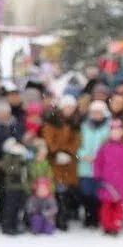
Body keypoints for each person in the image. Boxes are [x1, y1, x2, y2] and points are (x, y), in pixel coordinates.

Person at [42, 95, 82, 230]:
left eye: (72, 107)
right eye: (67, 107)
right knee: (57, 190)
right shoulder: (52, 121)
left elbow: (76, 141)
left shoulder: (75, 122)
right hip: (54, 160)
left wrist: (68, 152)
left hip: (69, 161)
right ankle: (58, 217)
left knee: (67, 190)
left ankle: (64, 216)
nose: (69, 110)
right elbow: (49, 140)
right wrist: (57, 152)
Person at [94, 119, 123, 236]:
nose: (116, 133)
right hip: (107, 182)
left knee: (119, 207)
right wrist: (98, 177)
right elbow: (98, 163)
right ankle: (106, 226)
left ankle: (116, 226)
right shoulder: (104, 147)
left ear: (122, 132)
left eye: (118, 131)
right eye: (113, 131)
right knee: (106, 206)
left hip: (122, 183)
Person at [78, 101, 112, 227]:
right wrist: (82, 155)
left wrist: (101, 158)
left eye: (99, 112)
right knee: (86, 193)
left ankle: (97, 218)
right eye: (94, 112)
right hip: (85, 166)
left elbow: (109, 146)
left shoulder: (108, 128)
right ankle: (88, 217)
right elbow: (78, 145)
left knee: (99, 194)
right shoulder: (84, 127)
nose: (96, 115)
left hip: (101, 167)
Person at [0, 138, 31, 235]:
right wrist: (17, 168)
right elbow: (6, 168)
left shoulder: (24, 156)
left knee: (18, 207)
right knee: (10, 207)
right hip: (11, 187)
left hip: (22, 187)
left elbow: (27, 170)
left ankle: (15, 225)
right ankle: (7, 226)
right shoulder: (8, 156)